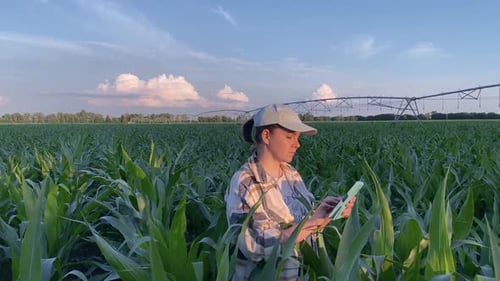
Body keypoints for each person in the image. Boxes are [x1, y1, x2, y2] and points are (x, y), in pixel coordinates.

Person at [225, 104, 356, 281]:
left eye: (298, 137)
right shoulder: (245, 181)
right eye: (289, 137)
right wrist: (313, 222)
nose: (297, 144)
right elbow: (251, 244)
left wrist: (325, 212)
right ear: (266, 136)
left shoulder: (290, 173)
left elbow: (305, 224)